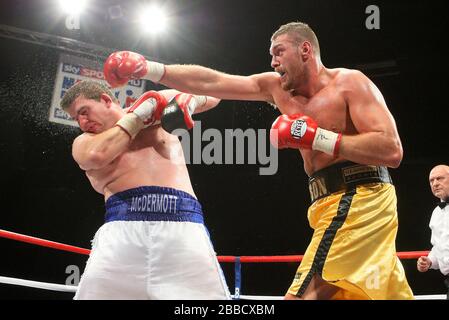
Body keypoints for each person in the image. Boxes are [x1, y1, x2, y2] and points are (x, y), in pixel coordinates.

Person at [102, 21, 414, 300]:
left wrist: (317, 138)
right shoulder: (276, 88)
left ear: (305, 50)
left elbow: (391, 150)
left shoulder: (350, 84)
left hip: (361, 197)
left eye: (279, 52)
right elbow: (214, 82)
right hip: (325, 203)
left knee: (308, 293)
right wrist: (150, 69)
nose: (273, 61)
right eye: (271, 55)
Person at [60, 79, 230, 300]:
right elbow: (96, 156)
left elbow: (212, 92)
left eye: (84, 111)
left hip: (183, 230)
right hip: (122, 233)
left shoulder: (156, 107)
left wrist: (188, 102)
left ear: (105, 100)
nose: (82, 122)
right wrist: (139, 117)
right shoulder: (85, 142)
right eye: (76, 118)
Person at [417, 165, 449, 297]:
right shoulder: (436, 213)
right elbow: (440, 247)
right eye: (432, 180)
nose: (435, 183)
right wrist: (430, 261)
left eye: (440, 178)